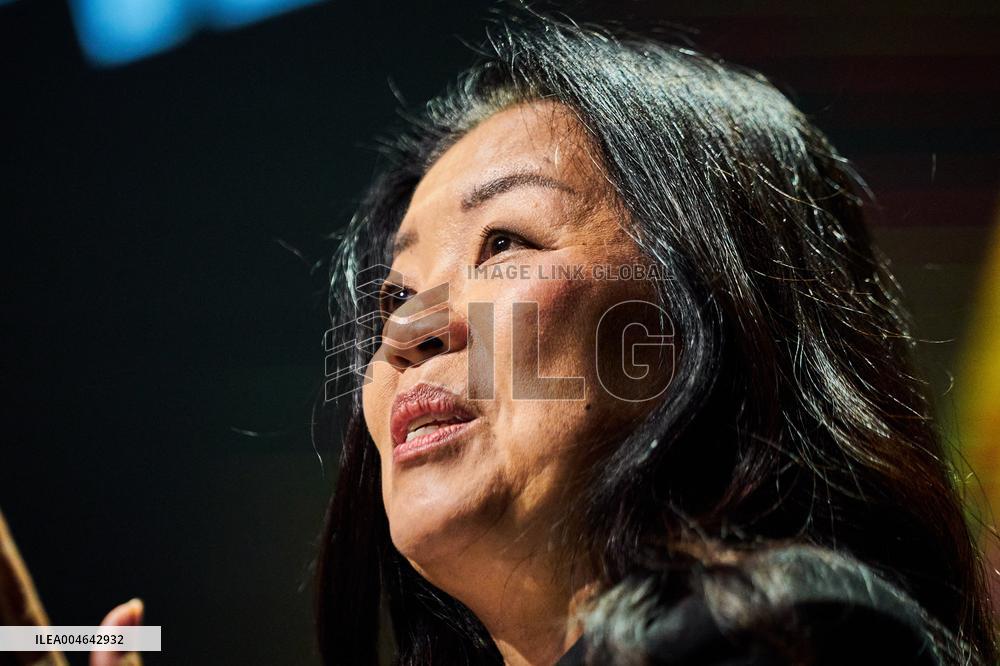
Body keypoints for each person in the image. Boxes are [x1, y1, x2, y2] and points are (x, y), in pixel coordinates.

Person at [314, 14, 997, 666]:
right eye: (395, 297)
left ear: (703, 312)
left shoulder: (772, 636)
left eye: (502, 243)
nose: (403, 333)